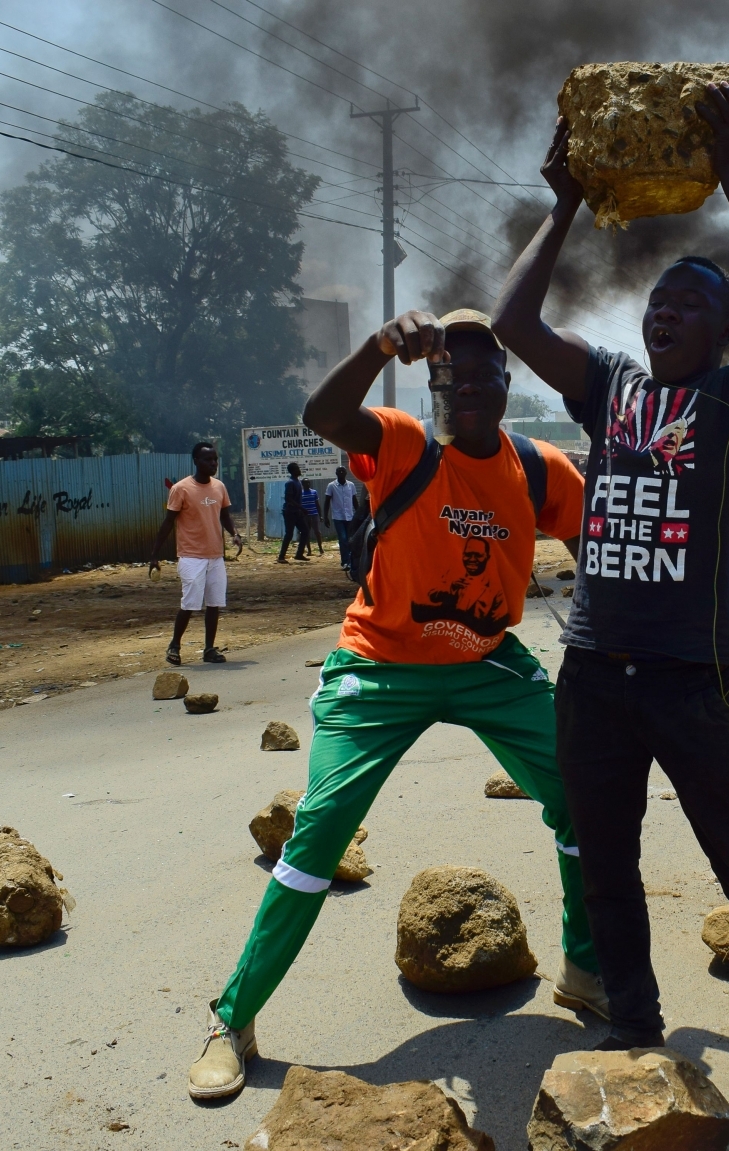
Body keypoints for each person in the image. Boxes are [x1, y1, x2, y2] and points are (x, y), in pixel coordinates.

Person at [492, 81, 729, 1099]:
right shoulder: (612, 386)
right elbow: (516, 317)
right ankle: (637, 1022)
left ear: (723, 330)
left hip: (689, 679)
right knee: (606, 863)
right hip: (594, 671)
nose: (662, 310)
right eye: (655, 300)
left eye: (686, 301)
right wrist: (562, 201)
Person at [186, 308, 605, 1101]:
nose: (468, 387)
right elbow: (323, 417)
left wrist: (606, 640)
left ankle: (584, 969)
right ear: (431, 386)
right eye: (450, 376)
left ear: (506, 386)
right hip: (380, 669)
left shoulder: (540, 468)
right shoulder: (403, 443)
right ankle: (231, 1020)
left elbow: (598, 548)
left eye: (484, 374)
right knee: (318, 836)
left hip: (486, 662)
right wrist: (380, 344)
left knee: (581, 797)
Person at [149, 441, 242, 666]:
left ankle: (209, 648)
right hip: (191, 556)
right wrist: (154, 555)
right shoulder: (181, 489)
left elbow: (225, 516)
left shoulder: (219, 487)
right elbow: (168, 523)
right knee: (190, 603)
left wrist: (234, 533)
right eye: (208, 460)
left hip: (215, 556)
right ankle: (175, 645)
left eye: (215, 459)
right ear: (196, 462)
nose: (213, 463)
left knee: (214, 603)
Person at [323, 465, 360, 571]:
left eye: (343, 471)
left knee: (350, 540)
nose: (341, 473)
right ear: (336, 473)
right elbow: (327, 501)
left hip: (350, 517)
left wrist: (358, 514)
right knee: (343, 539)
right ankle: (345, 562)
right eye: (339, 471)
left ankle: (351, 561)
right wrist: (325, 517)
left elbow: (354, 500)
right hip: (338, 517)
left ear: (346, 473)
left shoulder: (351, 485)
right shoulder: (331, 486)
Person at [275, 462, 307, 563]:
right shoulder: (290, 483)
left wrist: (300, 509)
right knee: (289, 534)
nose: (299, 470)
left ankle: (299, 554)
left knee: (305, 531)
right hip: (289, 512)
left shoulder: (297, 481)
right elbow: (288, 498)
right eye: (297, 468)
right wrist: (301, 508)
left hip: (296, 512)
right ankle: (281, 557)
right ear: (293, 471)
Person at [299, 479, 324, 555]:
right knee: (306, 533)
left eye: (309, 483)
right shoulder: (300, 493)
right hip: (305, 516)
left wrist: (320, 515)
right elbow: (299, 505)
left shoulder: (314, 492)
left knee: (317, 532)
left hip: (314, 514)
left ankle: (320, 549)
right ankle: (309, 550)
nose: (308, 484)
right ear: (303, 484)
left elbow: (317, 504)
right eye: (306, 483)